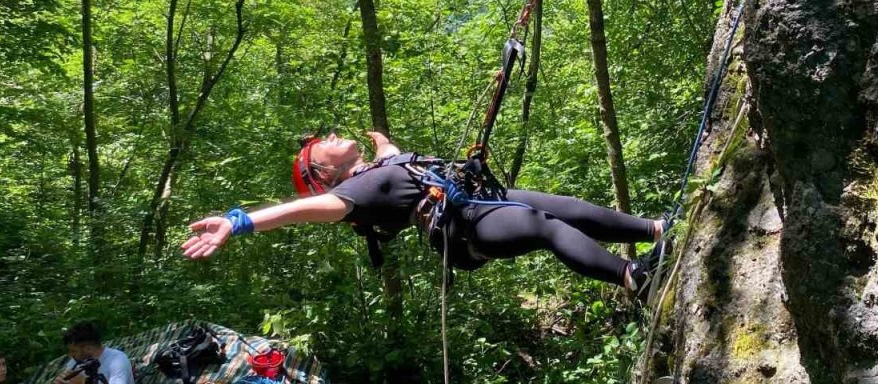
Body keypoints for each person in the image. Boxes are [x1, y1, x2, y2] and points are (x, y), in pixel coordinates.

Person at [182, 131, 671, 298]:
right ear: (323, 174)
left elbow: (394, 158)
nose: (329, 137)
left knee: (565, 206)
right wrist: (238, 222)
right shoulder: (351, 195)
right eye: (319, 146)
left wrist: (382, 143)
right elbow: (301, 210)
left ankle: (657, 229)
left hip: (477, 199)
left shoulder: (377, 170)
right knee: (544, 226)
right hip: (467, 225)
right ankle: (634, 278)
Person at [54, 322, 133, 384]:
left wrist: (84, 382)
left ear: (88, 348)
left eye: (74, 351)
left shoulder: (117, 361)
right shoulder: (75, 363)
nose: (71, 355)